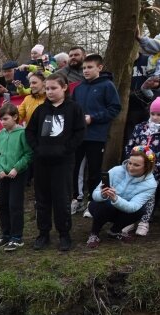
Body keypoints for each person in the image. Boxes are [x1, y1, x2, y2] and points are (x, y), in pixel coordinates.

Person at [25, 73, 86, 251]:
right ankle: (43, 233)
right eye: (47, 89)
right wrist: (38, 149)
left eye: (53, 88)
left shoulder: (74, 109)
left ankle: (64, 234)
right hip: (42, 162)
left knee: (62, 199)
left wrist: (64, 150)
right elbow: (30, 132)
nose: (50, 92)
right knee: (42, 199)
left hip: (63, 163)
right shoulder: (41, 110)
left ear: (64, 88)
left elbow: (79, 133)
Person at [70, 54, 122, 216]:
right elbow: (72, 109)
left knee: (94, 170)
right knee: (75, 168)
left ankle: (92, 201)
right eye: (84, 68)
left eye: (90, 67)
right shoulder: (78, 88)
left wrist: (93, 118)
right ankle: (76, 200)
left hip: (96, 136)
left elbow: (114, 108)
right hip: (78, 136)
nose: (86, 70)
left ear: (99, 68)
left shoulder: (107, 85)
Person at [86, 146, 158, 247]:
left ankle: (114, 231)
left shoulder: (151, 184)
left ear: (147, 167)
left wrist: (115, 198)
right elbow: (95, 195)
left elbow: (133, 206)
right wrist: (103, 194)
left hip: (123, 211)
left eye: (136, 165)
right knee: (105, 205)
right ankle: (94, 233)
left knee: (141, 210)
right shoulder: (116, 170)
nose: (131, 167)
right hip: (102, 208)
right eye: (130, 163)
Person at [0, 103, 33, 251]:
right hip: (3, 175)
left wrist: (17, 168)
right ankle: (6, 234)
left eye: (6, 119)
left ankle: (17, 237)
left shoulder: (22, 133)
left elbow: (28, 154)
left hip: (18, 175)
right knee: (3, 205)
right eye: (1, 119)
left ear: (15, 117)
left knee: (15, 205)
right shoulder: (0, 134)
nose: (3, 122)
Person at [123, 97, 160, 235]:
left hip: (154, 171)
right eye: (153, 114)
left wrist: (155, 165)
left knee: (150, 194)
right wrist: (131, 160)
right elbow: (130, 145)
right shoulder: (140, 128)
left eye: (159, 114)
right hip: (136, 168)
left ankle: (144, 221)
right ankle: (130, 219)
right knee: (132, 192)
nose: (155, 117)